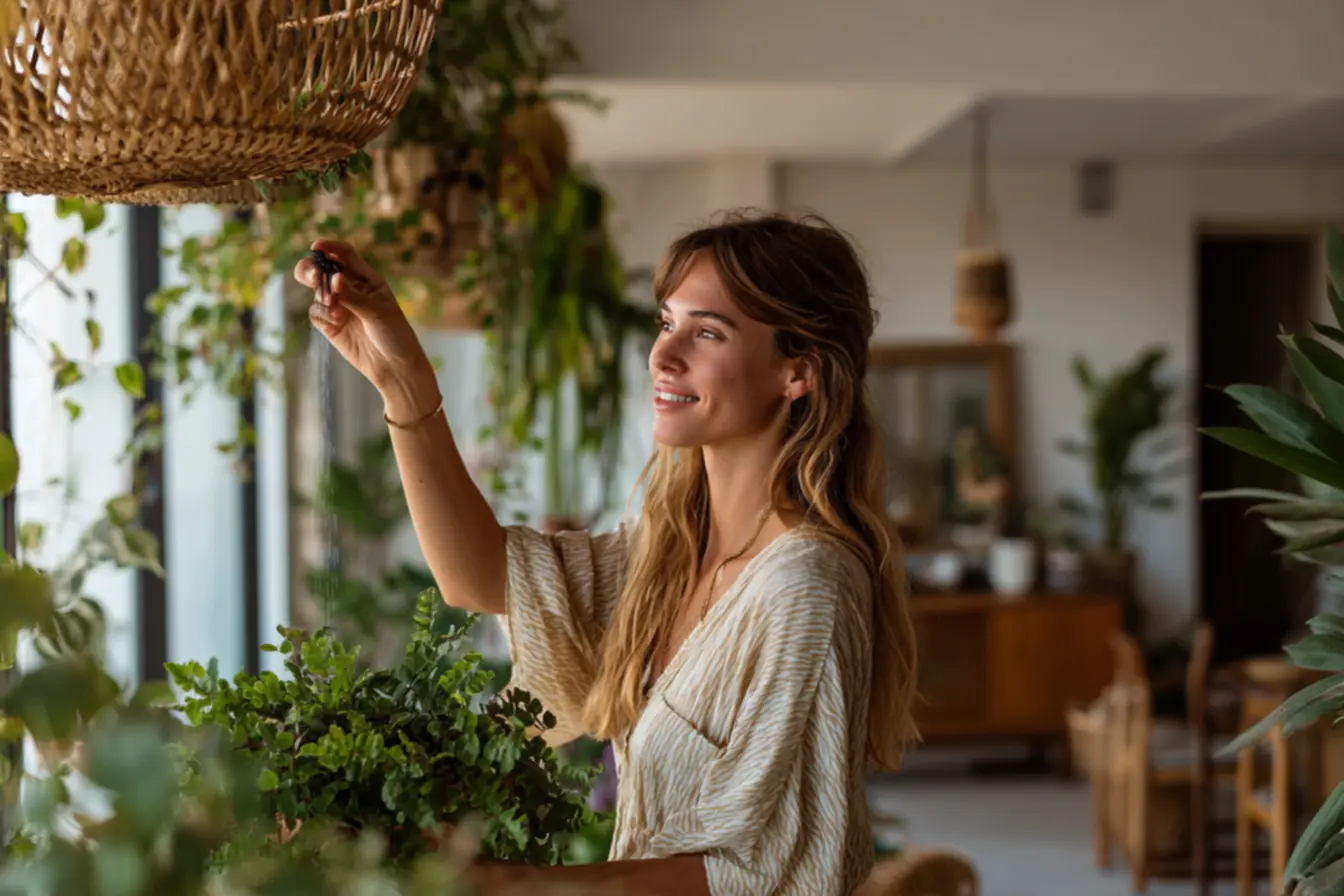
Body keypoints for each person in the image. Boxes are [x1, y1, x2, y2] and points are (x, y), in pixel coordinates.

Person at [295, 209, 919, 896]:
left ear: (797, 372)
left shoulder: (804, 584)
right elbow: (477, 577)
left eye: (707, 332)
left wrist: (506, 883)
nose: (663, 354)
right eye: (666, 322)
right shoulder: (669, 554)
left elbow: (776, 872)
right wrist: (401, 376)